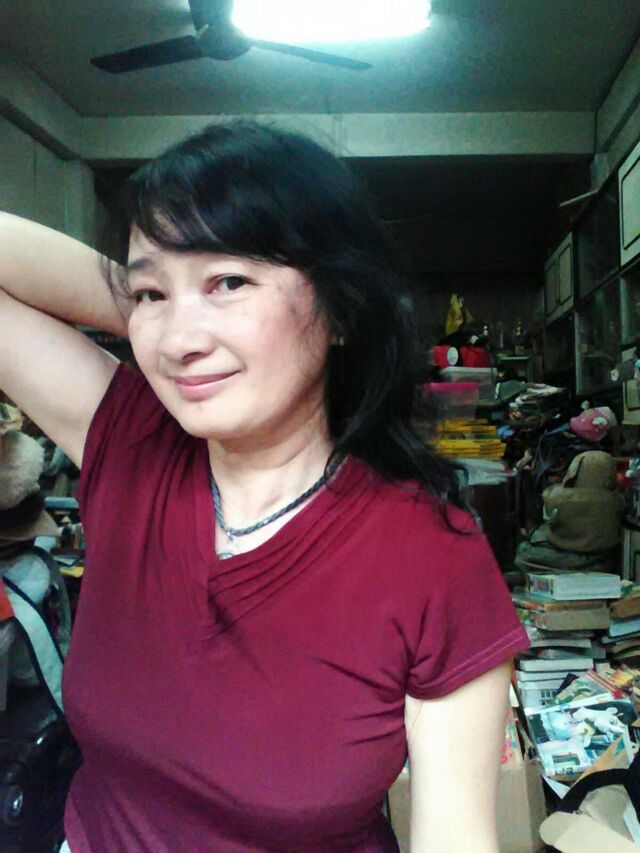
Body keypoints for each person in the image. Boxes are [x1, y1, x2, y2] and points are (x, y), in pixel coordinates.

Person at [0, 121, 528, 852]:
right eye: (148, 292)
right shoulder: (131, 442)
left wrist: (175, 302)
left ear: (341, 306)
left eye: (230, 281)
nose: (180, 341)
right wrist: (169, 308)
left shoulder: (432, 556)